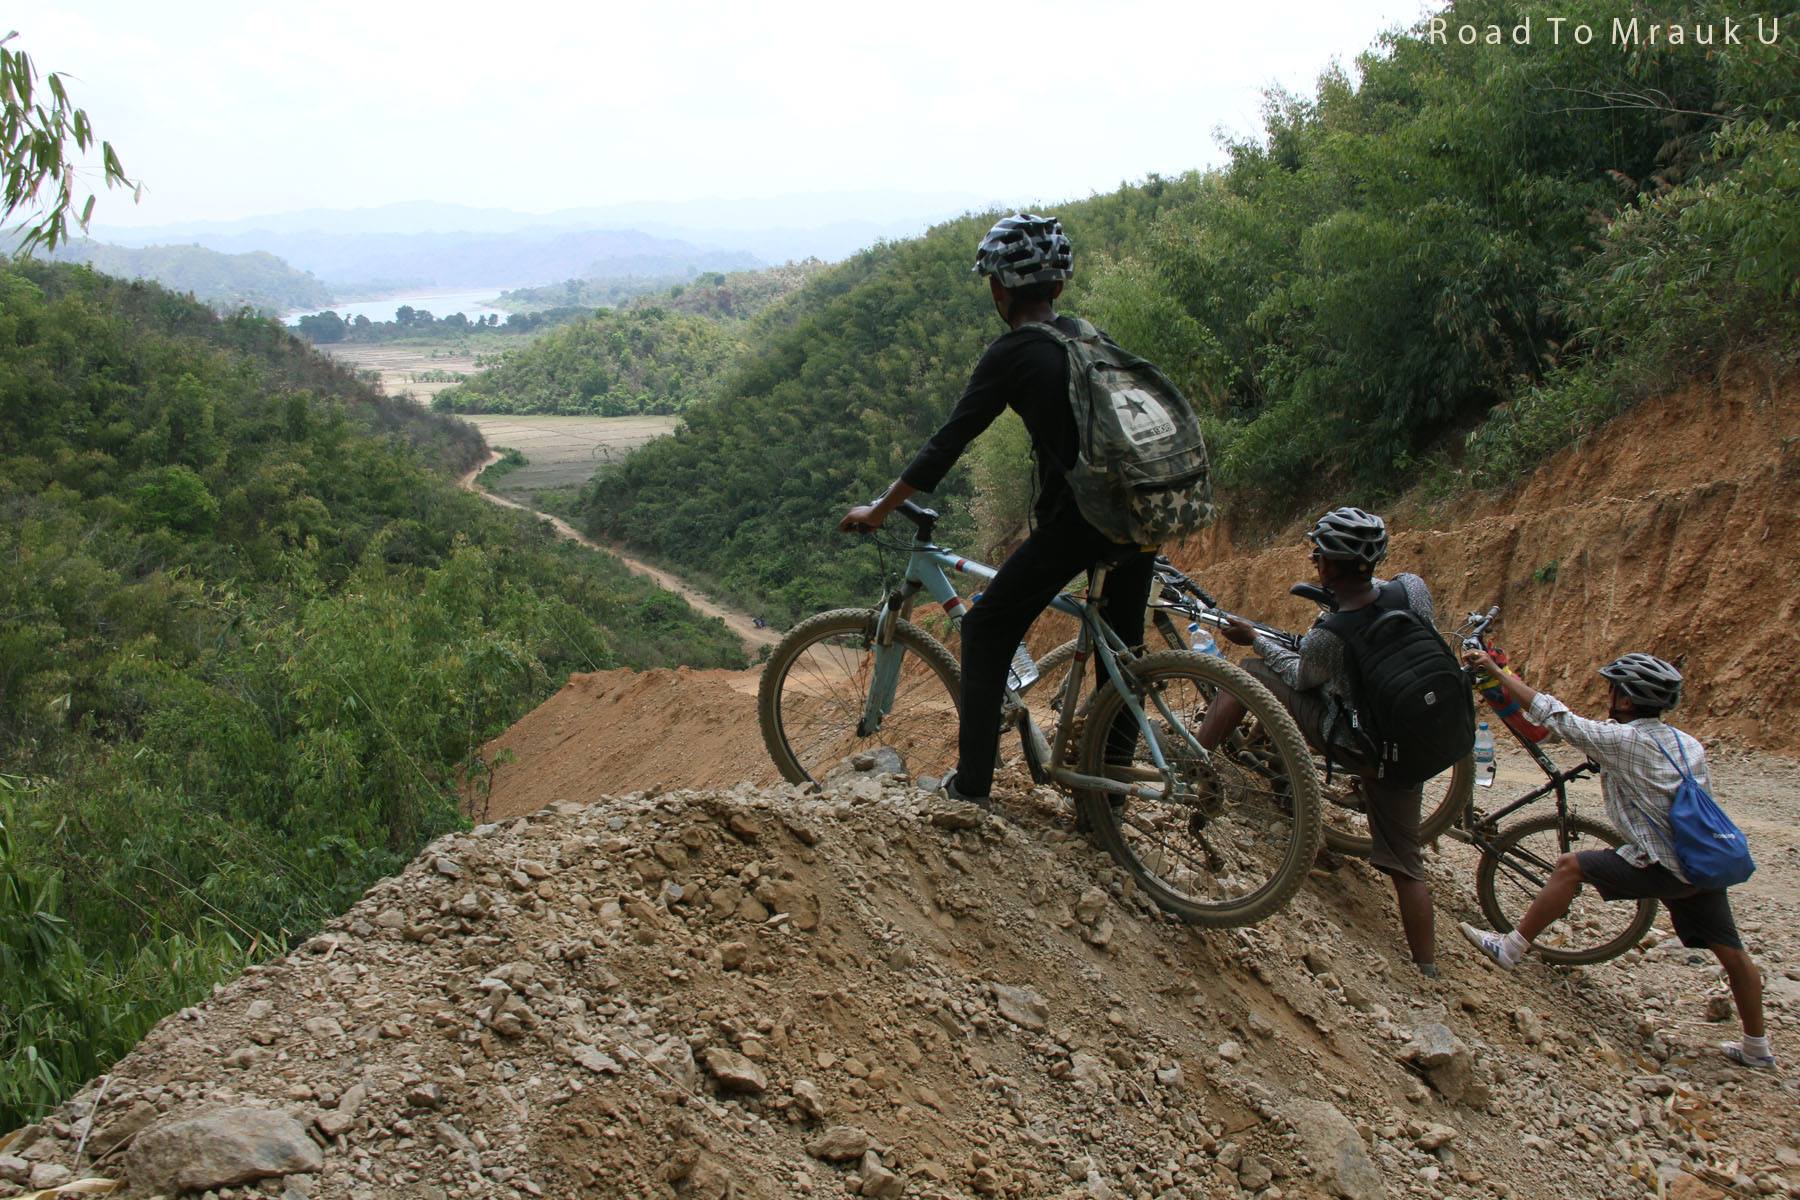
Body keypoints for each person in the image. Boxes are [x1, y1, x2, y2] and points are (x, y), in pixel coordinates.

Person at [837, 213, 1156, 808]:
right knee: (1124, 652)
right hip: (1140, 513)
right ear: (1058, 287)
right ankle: (1108, 800)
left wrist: (882, 508)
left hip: (1082, 523)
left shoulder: (1014, 352)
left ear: (998, 290)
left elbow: (949, 442)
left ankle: (972, 786)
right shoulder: (1088, 335)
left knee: (985, 631)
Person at [1457, 652, 1773, 1068]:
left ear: (1625, 701)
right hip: (1702, 863)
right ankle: (1757, 1049)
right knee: (1732, 953)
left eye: (1613, 690)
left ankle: (1509, 948)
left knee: (1570, 865)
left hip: (1663, 866)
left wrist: (1497, 672)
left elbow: (1556, 717)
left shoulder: (1625, 742)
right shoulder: (1686, 743)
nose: (1609, 695)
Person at [1195, 507, 1442, 976]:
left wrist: (1254, 639)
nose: (1313, 559)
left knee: (1252, 673)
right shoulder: (1411, 589)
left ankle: (1192, 756)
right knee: (1407, 864)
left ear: (1329, 565)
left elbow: (1299, 677)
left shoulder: (1333, 634)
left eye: (1318, 554)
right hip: (1415, 741)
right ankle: (1426, 968)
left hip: (1359, 744)